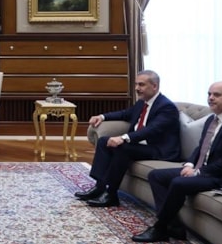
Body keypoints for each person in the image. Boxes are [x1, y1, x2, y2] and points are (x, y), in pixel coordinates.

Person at [132, 81, 222, 242]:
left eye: (216, 95)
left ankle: (160, 227)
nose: (211, 98)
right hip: (206, 170)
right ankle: (173, 225)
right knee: (156, 175)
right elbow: (202, 147)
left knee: (178, 182)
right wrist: (190, 164)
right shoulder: (212, 119)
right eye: (209, 94)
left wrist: (198, 172)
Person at [75, 70, 180, 208]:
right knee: (103, 141)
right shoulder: (142, 103)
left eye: (141, 85)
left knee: (122, 147)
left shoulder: (166, 107)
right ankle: (99, 187)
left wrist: (124, 138)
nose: (137, 88)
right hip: (139, 145)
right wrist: (102, 116)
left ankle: (111, 194)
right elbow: (125, 114)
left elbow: (152, 130)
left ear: (154, 86)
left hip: (158, 150)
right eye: (136, 84)